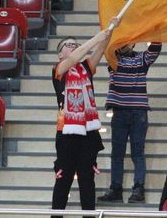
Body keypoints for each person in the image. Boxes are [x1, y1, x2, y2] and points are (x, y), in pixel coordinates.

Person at [51, 17, 119, 218]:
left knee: (87, 179)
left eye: (75, 44)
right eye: (68, 45)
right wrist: (96, 38)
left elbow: (100, 50)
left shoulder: (86, 68)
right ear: (60, 54)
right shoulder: (59, 69)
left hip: (88, 132)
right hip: (66, 132)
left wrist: (109, 31)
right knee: (63, 180)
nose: (73, 46)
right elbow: (75, 57)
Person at [97, 42, 162, 204]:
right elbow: (107, 47)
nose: (124, 44)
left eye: (128, 41)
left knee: (137, 153)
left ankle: (138, 190)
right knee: (117, 153)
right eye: (122, 41)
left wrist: (154, 33)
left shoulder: (141, 58)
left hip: (138, 112)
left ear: (133, 43)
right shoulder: (113, 58)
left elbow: (155, 48)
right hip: (119, 112)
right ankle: (116, 189)